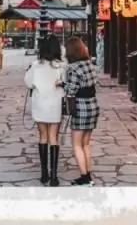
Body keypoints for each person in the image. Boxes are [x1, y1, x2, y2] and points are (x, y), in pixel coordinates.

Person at [24, 35, 65, 186]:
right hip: (55, 103)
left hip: (40, 103)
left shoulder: (36, 65)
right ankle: (54, 176)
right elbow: (64, 84)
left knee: (42, 136)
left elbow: (28, 83)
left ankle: (44, 173)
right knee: (54, 137)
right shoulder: (61, 66)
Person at [63, 36, 101, 185]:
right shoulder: (90, 64)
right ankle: (87, 175)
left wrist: (61, 84)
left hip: (80, 107)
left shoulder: (74, 69)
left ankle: (85, 177)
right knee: (86, 143)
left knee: (77, 144)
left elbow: (71, 91)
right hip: (93, 105)